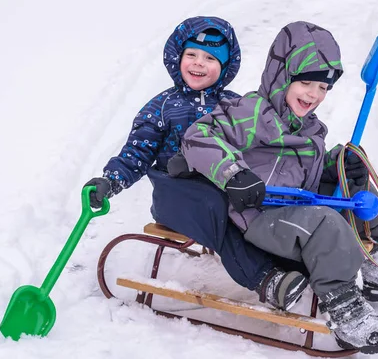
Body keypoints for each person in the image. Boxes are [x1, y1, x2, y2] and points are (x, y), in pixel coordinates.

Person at [178, 21, 378, 354]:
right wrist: (234, 174)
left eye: (323, 88)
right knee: (326, 224)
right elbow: (197, 138)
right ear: (283, 75)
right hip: (259, 216)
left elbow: (308, 174)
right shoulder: (251, 112)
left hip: (295, 209)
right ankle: (345, 311)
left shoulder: (311, 129)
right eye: (306, 83)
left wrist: (337, 163)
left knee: (362, 196)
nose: (314, 95)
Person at [83, 16, 308, 311]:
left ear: (225, 66)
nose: (199, 63)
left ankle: (292, 261)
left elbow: (261, 144)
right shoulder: (161, 107)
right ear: (178, 57)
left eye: (210, 58)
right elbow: (136, 154)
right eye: (191, 54)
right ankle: (266, 279)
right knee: (216, 209)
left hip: (222, 184)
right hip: (174, 195)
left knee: (251, 201)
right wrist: (110, 181)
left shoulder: (234, 105)